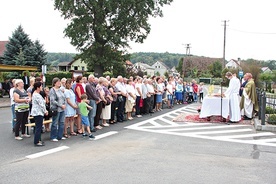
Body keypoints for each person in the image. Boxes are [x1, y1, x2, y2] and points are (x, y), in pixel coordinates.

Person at [31, 82, 48, 146]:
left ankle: (38, 139)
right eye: (41, 86)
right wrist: (45, 111)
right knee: (38, 127)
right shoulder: (37, 95)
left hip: (37, 112)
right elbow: (41, 104)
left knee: (38, 127)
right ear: (38, 87)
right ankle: (37, 141)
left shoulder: (36, 94)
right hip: (38, 112)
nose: (42, 88)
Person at [49, 77, 66, 142]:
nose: (59, 83)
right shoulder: (52, 90)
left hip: (62, 108)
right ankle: (53, 136)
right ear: (54, 83)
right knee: (55, 123)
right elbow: (53, 100)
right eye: (58, 82)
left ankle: (60, 136)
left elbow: (63, 97)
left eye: (59, 82)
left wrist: (64, 104)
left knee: (61, 122)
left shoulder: (60, 90)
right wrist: (61, 105)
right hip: (56, 109)